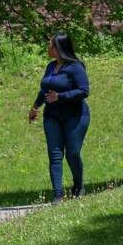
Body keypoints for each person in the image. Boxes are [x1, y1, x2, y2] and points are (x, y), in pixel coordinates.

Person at [29, 33, 90, 203]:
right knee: (55, 154)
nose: (48, 48)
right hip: (52, 116)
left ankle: (78, 186)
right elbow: (45, 90)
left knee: (72, 153)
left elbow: (84, 91)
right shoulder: (50, 66)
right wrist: (35, 106)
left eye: (51, 45)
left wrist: (60, 96)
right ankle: (58, 195)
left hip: (75, 115)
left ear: (59, 48)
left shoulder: (76, 67)